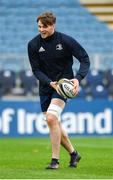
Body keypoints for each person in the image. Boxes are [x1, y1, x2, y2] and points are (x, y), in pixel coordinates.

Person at [28, 11, 90, 169]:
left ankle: (55, 161)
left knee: (51, 118)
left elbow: (84, 59)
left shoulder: (66, 40)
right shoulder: (33, 44)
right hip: (46, 87)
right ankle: (73, 153)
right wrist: (49, 83)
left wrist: (77, 78)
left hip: (62, 86)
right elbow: (36, 70)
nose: (42, 30)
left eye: (45, 27)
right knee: (54, 122)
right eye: (39, 27)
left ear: (53, 25)